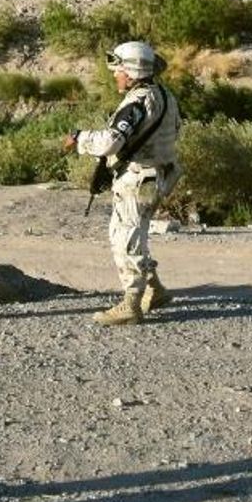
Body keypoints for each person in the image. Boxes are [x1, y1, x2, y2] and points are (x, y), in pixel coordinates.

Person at [63, 40, 182, 326]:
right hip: (158, 176)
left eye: (119, 70)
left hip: (138, 179)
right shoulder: (164, 95)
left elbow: (111, 141)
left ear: (132, 72)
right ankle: (154, 290)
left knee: (124, 238)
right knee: (135, 234)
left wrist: (79, 138)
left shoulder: (137, 102)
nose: (116, 75)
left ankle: (131, 304)